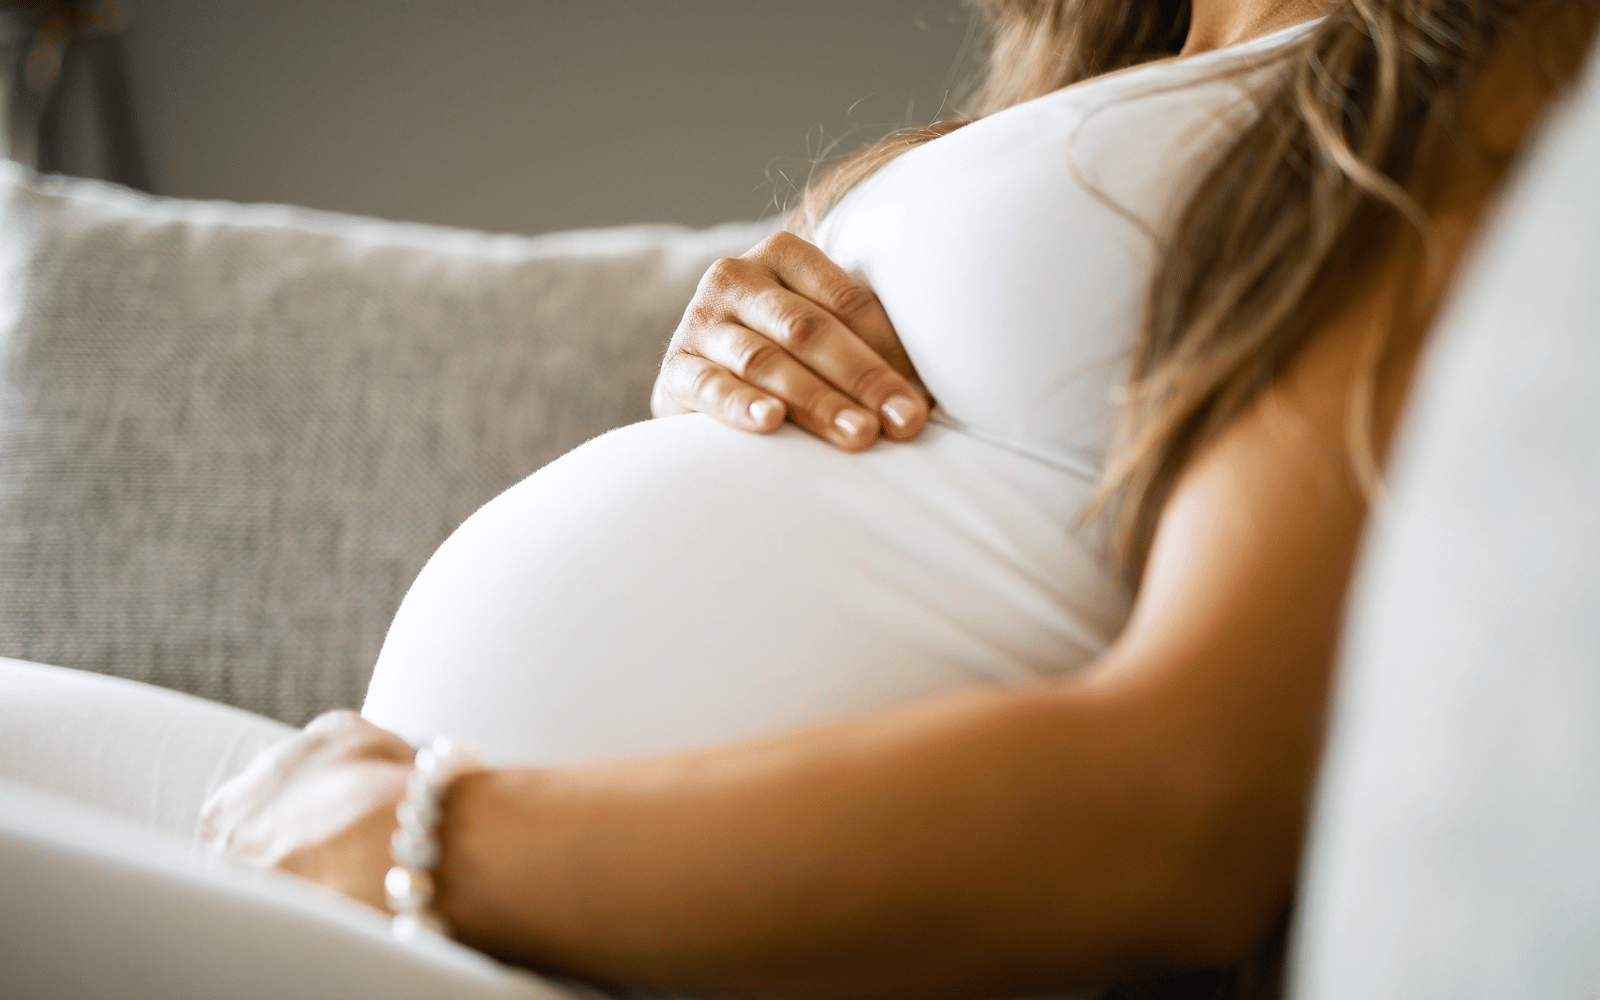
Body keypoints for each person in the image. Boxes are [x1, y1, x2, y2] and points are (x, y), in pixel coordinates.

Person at [81, 0, 1600, 996]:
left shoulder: (1474, 69)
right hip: (437, 873)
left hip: (516, 910)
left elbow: (1189, 797)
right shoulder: (1125, 63)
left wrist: (433, 838)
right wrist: (748, 354)